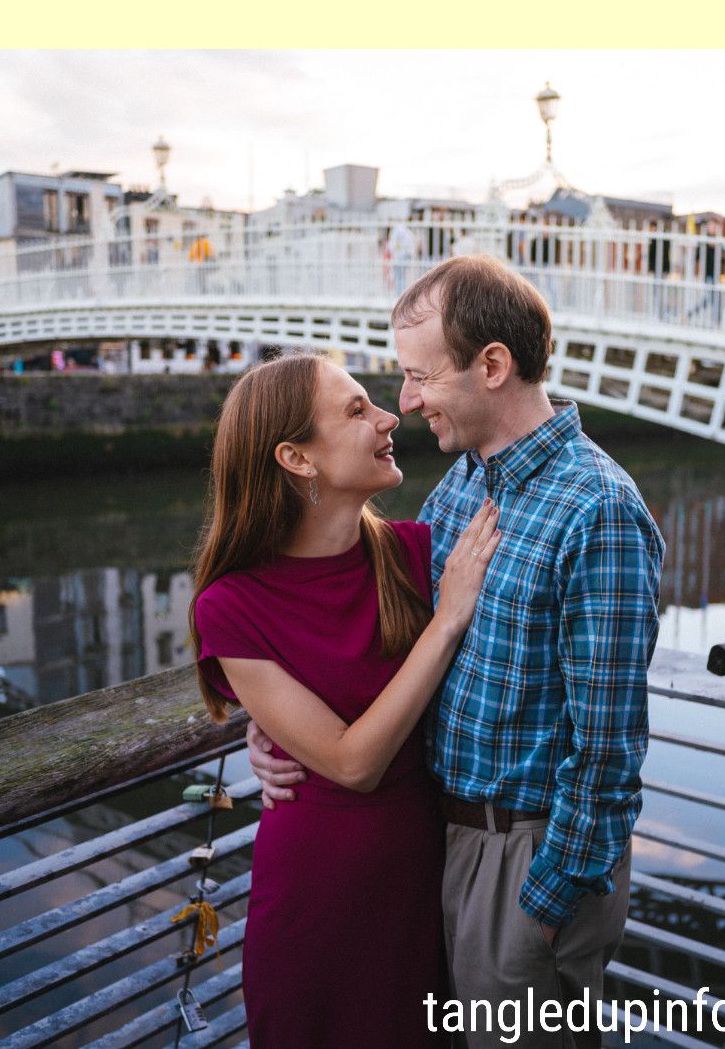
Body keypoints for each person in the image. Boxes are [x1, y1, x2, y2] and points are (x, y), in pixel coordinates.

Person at [250, 257, 665, 1048]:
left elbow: (608, 749)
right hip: (440, 842)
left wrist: (546, 908)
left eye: (418, 377)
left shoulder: (598, 510)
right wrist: (267, 721)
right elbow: (386, 637)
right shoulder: (466, 484)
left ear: (494, 365)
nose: (403, 403)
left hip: (527, 855)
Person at [189, 354, 500, 1049]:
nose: (391, 418)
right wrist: (447, 619)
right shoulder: (231, 606)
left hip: (427, 879)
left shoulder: (419, 554)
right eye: (358, 411)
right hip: (316, 899)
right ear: (296, 457)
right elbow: (351, 764)